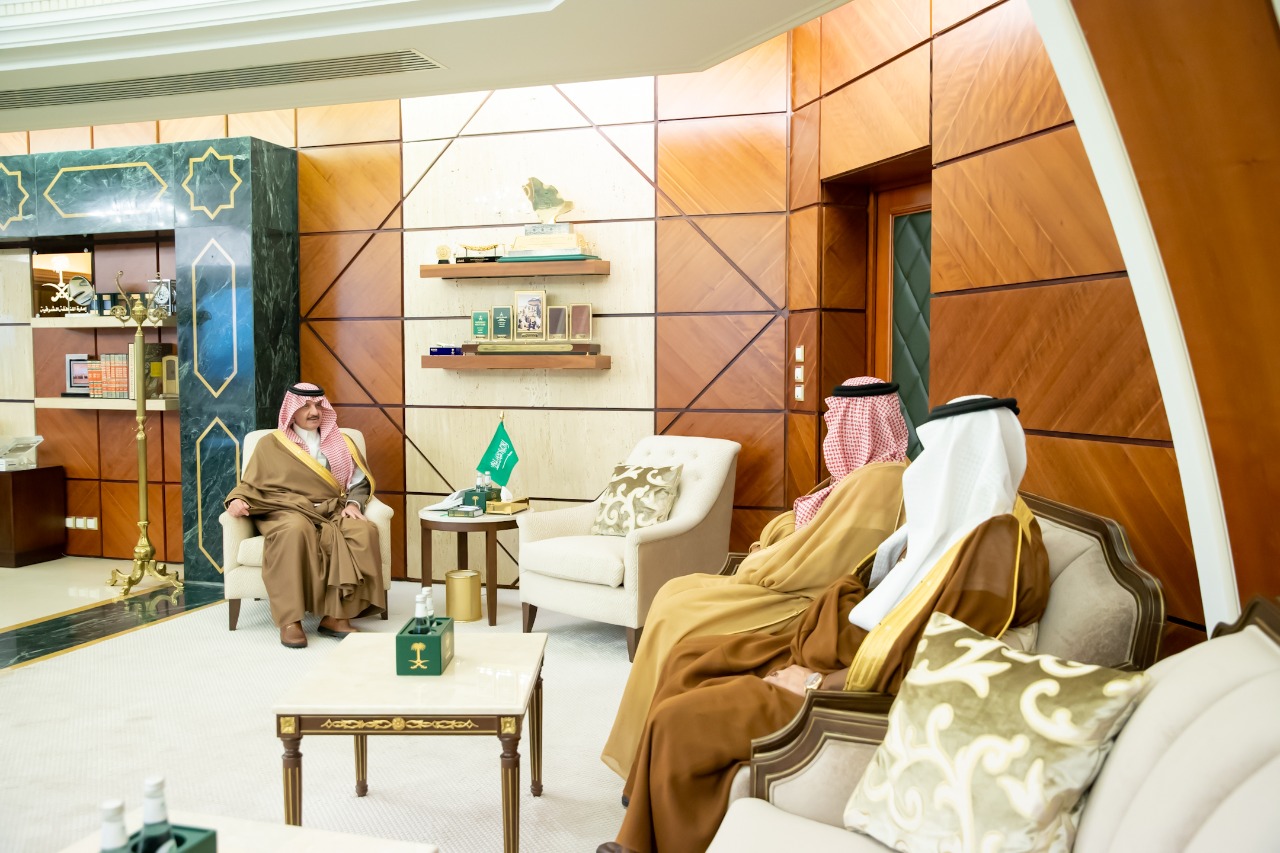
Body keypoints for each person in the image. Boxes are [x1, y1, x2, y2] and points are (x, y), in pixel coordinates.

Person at [601, 396, 1051, 853]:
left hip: (856, 688)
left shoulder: (997, 548)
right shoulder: (961, 521)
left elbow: (932, 658)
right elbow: (880, 589)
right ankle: (642, 812)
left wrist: (816, 681)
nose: (926, 467)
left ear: (967, 457)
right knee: (690, 656)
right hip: (844, 650)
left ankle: (642, 844)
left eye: (940, 454)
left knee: (681, 720)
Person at [600, 377, 910, 780]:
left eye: (839, 423)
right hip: (787, 580)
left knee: (679, 614)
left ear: (861, 424)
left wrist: (757, 564)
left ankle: (645, 758)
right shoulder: (866, 474)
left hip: (801, 598)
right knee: (674, 592)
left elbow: (818, 562)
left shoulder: (879, 481)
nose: (832, 434)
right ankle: (644, 751)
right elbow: (813, 536)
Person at [225, 382, 387, 648]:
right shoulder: (270, 444)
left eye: (319, 405)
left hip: (331, 509)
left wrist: (354, 505)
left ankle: (336, 616)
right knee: (295, 531)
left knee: (363, 531)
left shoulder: (341, 442)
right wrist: (237, 499)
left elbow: (360, 482)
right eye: (306, 406)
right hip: (286, 509)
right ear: (291, 411)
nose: (314, 412)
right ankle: (290, 620)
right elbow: (251, 483)